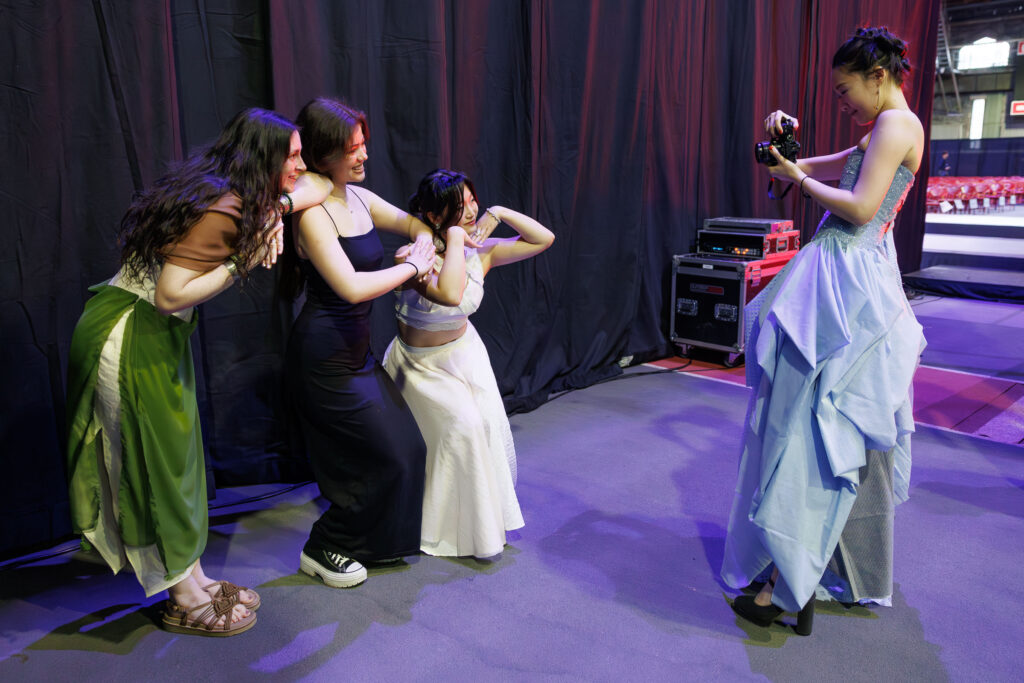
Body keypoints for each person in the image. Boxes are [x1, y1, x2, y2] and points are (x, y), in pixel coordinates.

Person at [66, 107, 327, 637]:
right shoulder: (223, 205)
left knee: (177, 462)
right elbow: (169, 296)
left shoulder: (230, 190)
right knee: (155, 465)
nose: (301, 166)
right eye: (292, 157)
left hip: (148, 332)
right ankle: (181, 595)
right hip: (132, 332)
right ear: (264, 159)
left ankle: (195, 576)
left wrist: (276, 207)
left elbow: (316, 187)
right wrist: (242, 261)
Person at [720, 27, 926, 635]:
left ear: (878, 77)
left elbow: (860, 207)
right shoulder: (884, 128)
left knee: (811, 425)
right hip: (841, 273)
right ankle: (794, 572)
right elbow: (809, 170)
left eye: (845, 91)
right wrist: (783, 152)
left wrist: (800, 179)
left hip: (846, 275)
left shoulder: (896, 125)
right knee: (812, 421)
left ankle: (791, 579)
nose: (843, 104)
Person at [283, 97, 437, 588]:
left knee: (409, 449)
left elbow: (416, 225)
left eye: (364, 145)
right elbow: (350, 287)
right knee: (387, 455)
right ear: (324, 154)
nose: (364, 155)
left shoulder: (358, 199)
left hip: (357, 354)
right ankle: (324, 544)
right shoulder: (313, 215)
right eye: (353, 149)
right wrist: (412, 267)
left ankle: (372, 542)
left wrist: (421, 243)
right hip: (323, 358)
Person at [382, 169, 554, 558]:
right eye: (460, 204)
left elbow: (544, 238)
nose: (471, 209)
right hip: (419, 366)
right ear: (435, 215)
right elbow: (451, 291)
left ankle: (477, 527)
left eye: (474, 199)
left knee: (487, 427)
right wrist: (458, 238)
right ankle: (432, 523)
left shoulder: (483, 250)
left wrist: (501, 210)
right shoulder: (414, 254)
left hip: (463, 354)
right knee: (463, 427)